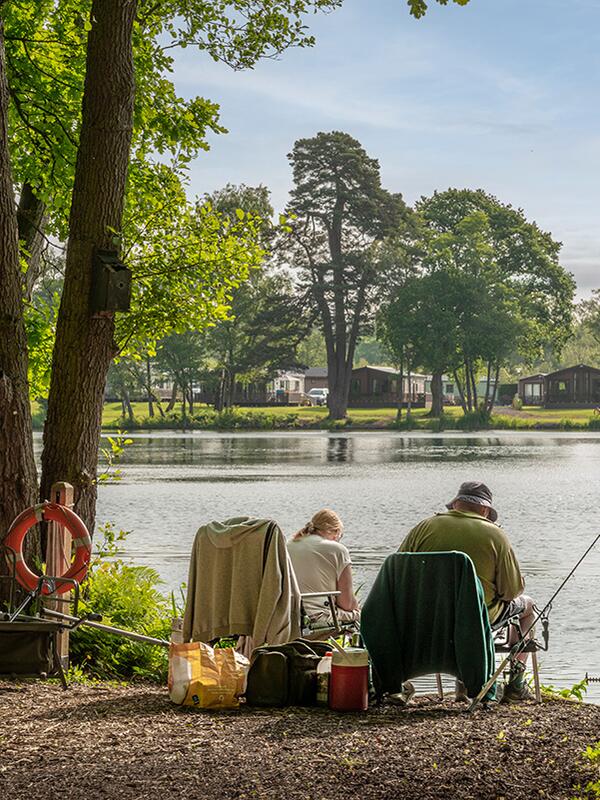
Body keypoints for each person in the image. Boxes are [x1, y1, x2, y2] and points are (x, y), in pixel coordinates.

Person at [398, 480, 535, 703]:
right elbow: (511, 592)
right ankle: (516, 684)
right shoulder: (495, 535)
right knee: (527, 607)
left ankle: (462, 688)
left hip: (425, 617)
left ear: (456, 504)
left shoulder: (423, 527)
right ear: (485, 510)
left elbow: (400, 572)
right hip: (477, 618)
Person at [287, 509, 360, 626]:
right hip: (318, 617)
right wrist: (357, 609)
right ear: (336, 531)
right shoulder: (337, 550)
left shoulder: (288, 545)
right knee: (361, 614)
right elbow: (347, 603)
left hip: (286, 616)